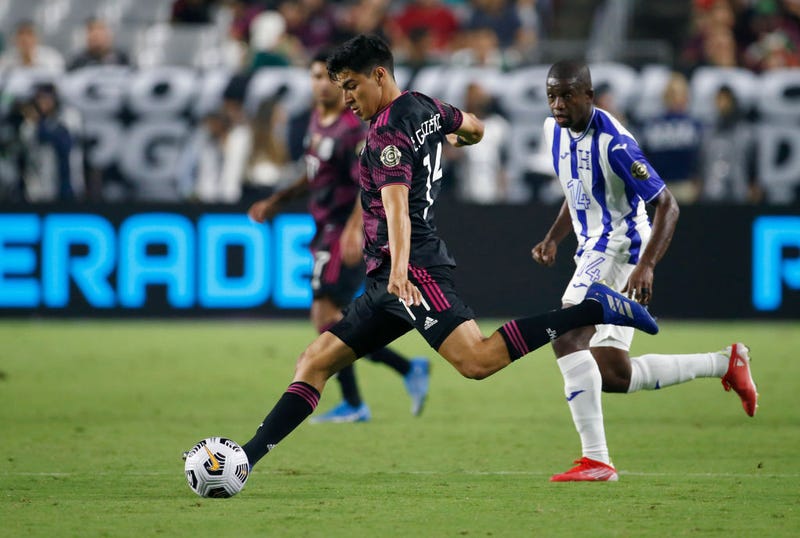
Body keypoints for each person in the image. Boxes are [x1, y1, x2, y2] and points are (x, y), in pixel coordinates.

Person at [195, 35, 660, 474]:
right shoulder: (425, 106)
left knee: (477, 362)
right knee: (314, 361)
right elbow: (472, 126)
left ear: (379, 75)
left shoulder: (386, 135)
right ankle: (245, 460)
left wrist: (400, 271)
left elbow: (396, 207)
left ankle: (594, 308)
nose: (348, 98)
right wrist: (457, 140)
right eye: (342, 89)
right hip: (386, 280)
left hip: (412, 271)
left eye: (352, 86)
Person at [531, 60, 759, 482]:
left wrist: (647, 265)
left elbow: (668, 204)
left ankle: (597, 460)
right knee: (612, 373)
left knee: (565, 335)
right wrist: (554, 237)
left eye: (566, 95)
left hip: (621, 248)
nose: (558, 104)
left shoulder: (616, 144)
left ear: (589, 96)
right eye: (552, 95)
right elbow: (577, 189)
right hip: (591, 249)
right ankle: (724, 362)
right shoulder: (553, 131)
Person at [247, 50, 430, 422]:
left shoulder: (351, 130)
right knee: (332, 319)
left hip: (339, 231)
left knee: (326, 314)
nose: (320, 85)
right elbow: (314, 173)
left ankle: (358, 400)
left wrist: (352, 229)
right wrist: (277, 200)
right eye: (314, 77)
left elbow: (369, 182)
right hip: (322, 228)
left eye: (326, 79)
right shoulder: (318, 120)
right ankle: (401, 371)